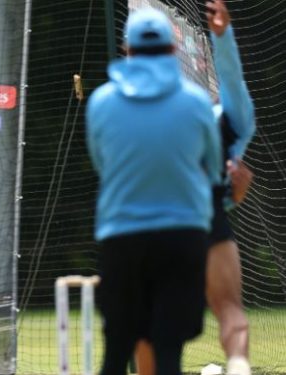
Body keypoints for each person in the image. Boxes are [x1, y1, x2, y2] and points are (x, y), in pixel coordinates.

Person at [85, 7, 222, 375]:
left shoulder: (102, 102)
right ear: (173, 50)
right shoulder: (196, 103)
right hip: (183, 236)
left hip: (123, 236)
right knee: (168, 351)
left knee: (116, 351)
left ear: (127, 49)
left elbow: (104, 164)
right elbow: (211, 167)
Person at [134, 1, 256, 374]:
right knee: (229, 307)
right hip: (206, 219)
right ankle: (237, 364)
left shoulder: (141, 115)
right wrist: (223, 37)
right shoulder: (232, 126)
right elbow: (233, 81)